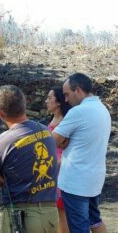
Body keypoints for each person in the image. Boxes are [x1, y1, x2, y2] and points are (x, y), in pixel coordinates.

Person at [0, 85, 58, 233]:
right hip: (51, 214)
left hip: (24, 217)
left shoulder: (1, 143)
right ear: (24, 104)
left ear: (0, 112)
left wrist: (4, 176)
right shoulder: (46, 132)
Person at [52, 73, 111, 233]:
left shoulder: (78, 112)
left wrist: (64, 141)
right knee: (95, 221)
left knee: (79, 227)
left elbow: (52, 140)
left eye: (67, 94)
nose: (65, 100)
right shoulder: (103, 109)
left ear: (78, 90)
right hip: (94, 179)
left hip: (76, 182)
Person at [45, 86, 71, 233]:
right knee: (56, 211)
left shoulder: (66, 121)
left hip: (61, 170)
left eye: (50, 98)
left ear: (59, 102)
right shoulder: (54, 118)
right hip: (50, 170)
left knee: (61, 212)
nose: (46, 101)